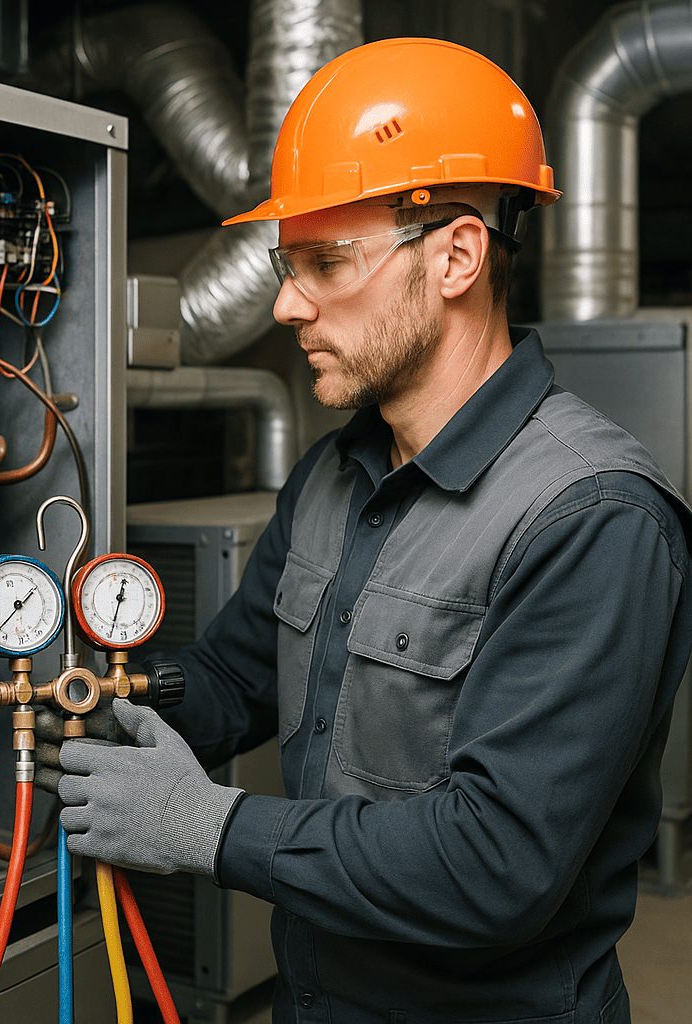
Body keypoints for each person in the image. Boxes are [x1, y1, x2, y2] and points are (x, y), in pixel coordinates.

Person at [37, 38, 692, 1023]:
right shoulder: (333, 474)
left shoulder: (591, 515)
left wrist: (201, 823)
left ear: (458, 255)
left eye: (325, 261)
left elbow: (496, 862)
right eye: (285, 263)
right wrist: (113, 703)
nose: (285, 303)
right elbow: (237, 676)